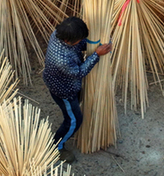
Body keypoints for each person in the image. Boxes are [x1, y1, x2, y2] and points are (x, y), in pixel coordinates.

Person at [42, 16, 113, 164]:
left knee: (77, 106)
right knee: (74, 120)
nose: (81, 41)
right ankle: (56, 146)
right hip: (64, 91)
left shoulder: (59, 33)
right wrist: (96, 54)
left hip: (67, 83)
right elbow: (79, 72)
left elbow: (78, 45)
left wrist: (94, 42)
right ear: (68, 40)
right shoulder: (61, 59)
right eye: (79, 39)